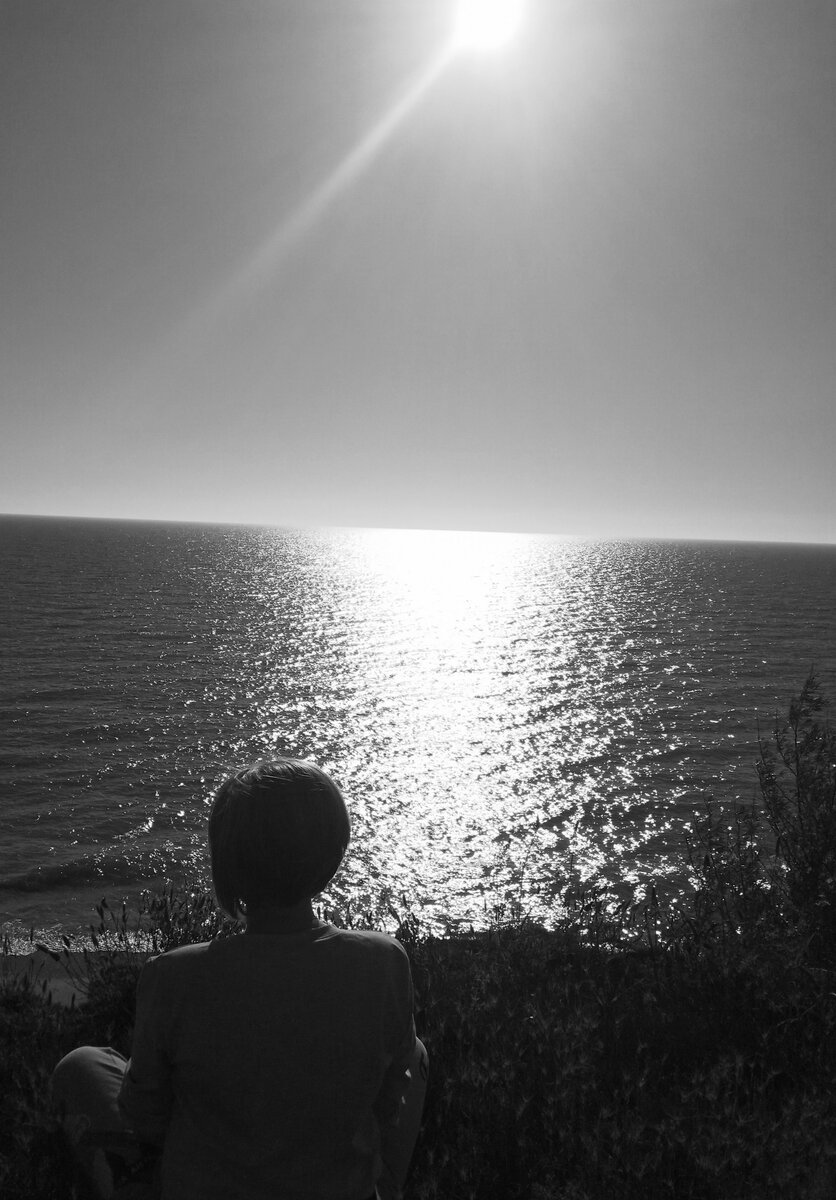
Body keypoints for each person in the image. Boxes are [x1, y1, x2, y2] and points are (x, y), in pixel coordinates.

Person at [52, 759, 428, 1200]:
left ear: (227, 865)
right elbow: (389, 1103)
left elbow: (145, 1117)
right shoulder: (384, 960)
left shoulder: (173, 975)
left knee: (81, 1066)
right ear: (332, 855)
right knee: (415, 1054)